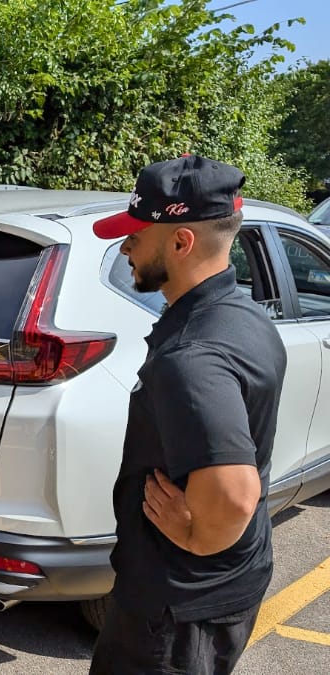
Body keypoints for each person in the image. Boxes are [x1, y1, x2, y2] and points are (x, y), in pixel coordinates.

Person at [88, 155, 287, 674]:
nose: (125, 246)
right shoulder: (246, 317)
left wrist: (201, 535)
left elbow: (236, 494)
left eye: (137, 233)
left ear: (181, 242)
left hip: (174, 612)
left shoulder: (191, 356)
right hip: (221, 590)